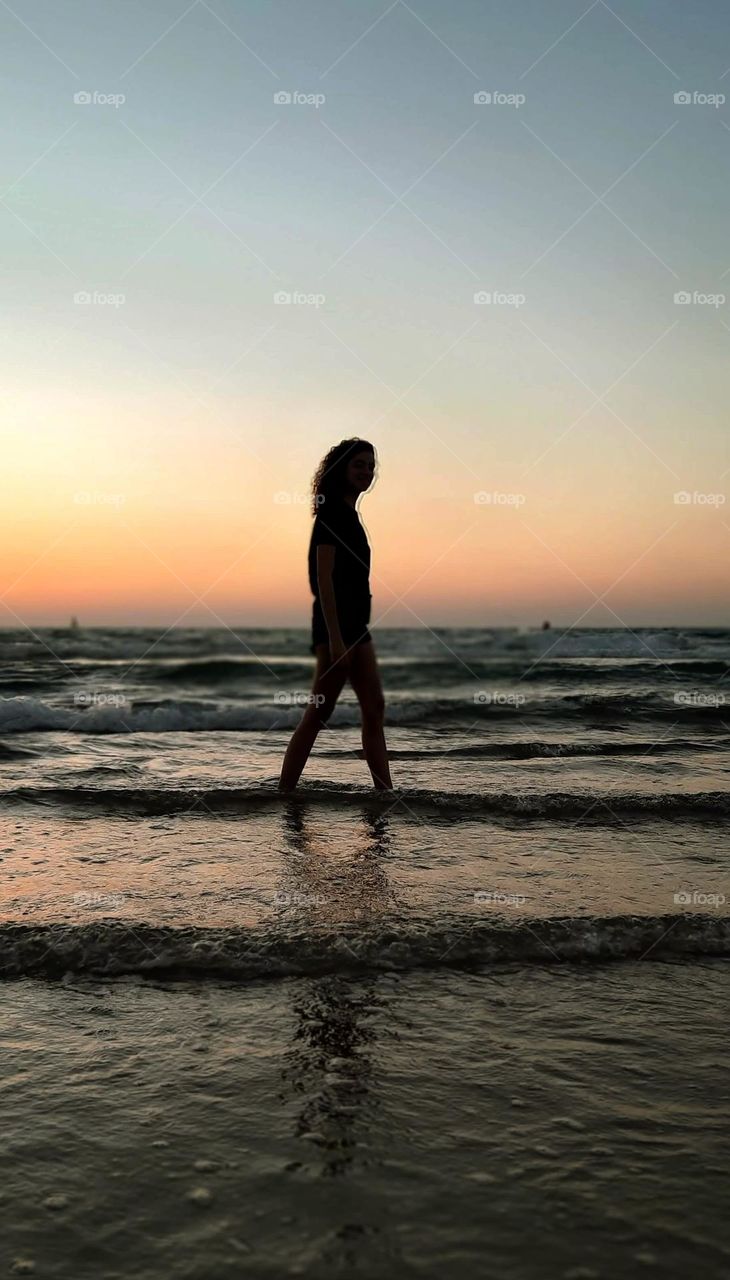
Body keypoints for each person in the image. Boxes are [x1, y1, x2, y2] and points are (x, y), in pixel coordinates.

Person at [278, 438, 393, 792]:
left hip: (357, 626)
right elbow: (323, 580)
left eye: (370, 465)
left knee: (374, 709)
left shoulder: (350, 514)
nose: (366, 471)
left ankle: (385, 794)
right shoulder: (331, 514)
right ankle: (284, 793)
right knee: (317, 715)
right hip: (336, 628)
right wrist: (335, 638)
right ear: (341, 468)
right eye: (358, 464)